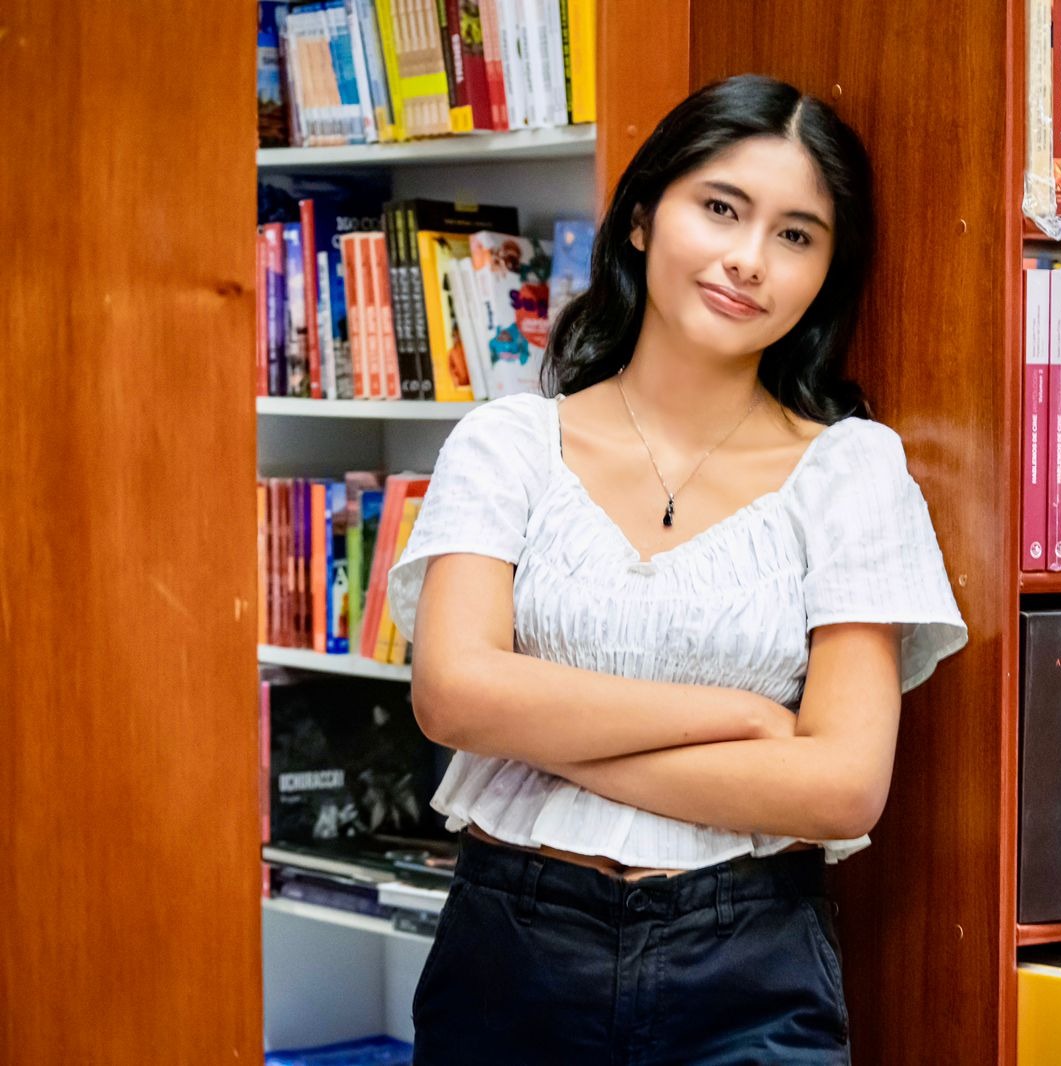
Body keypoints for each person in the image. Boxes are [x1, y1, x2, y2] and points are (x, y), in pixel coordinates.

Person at [384, 74, 969, 1064]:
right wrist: (739, 720)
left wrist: (534, 732)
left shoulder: (851, 469)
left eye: (796, 234)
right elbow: (452, 695)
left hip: (747, 958)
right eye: (722, 208)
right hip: (513, 950)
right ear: (646, 215)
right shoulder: (508, 443)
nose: (748, 260)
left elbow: (839, 788)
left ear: (828, 270)